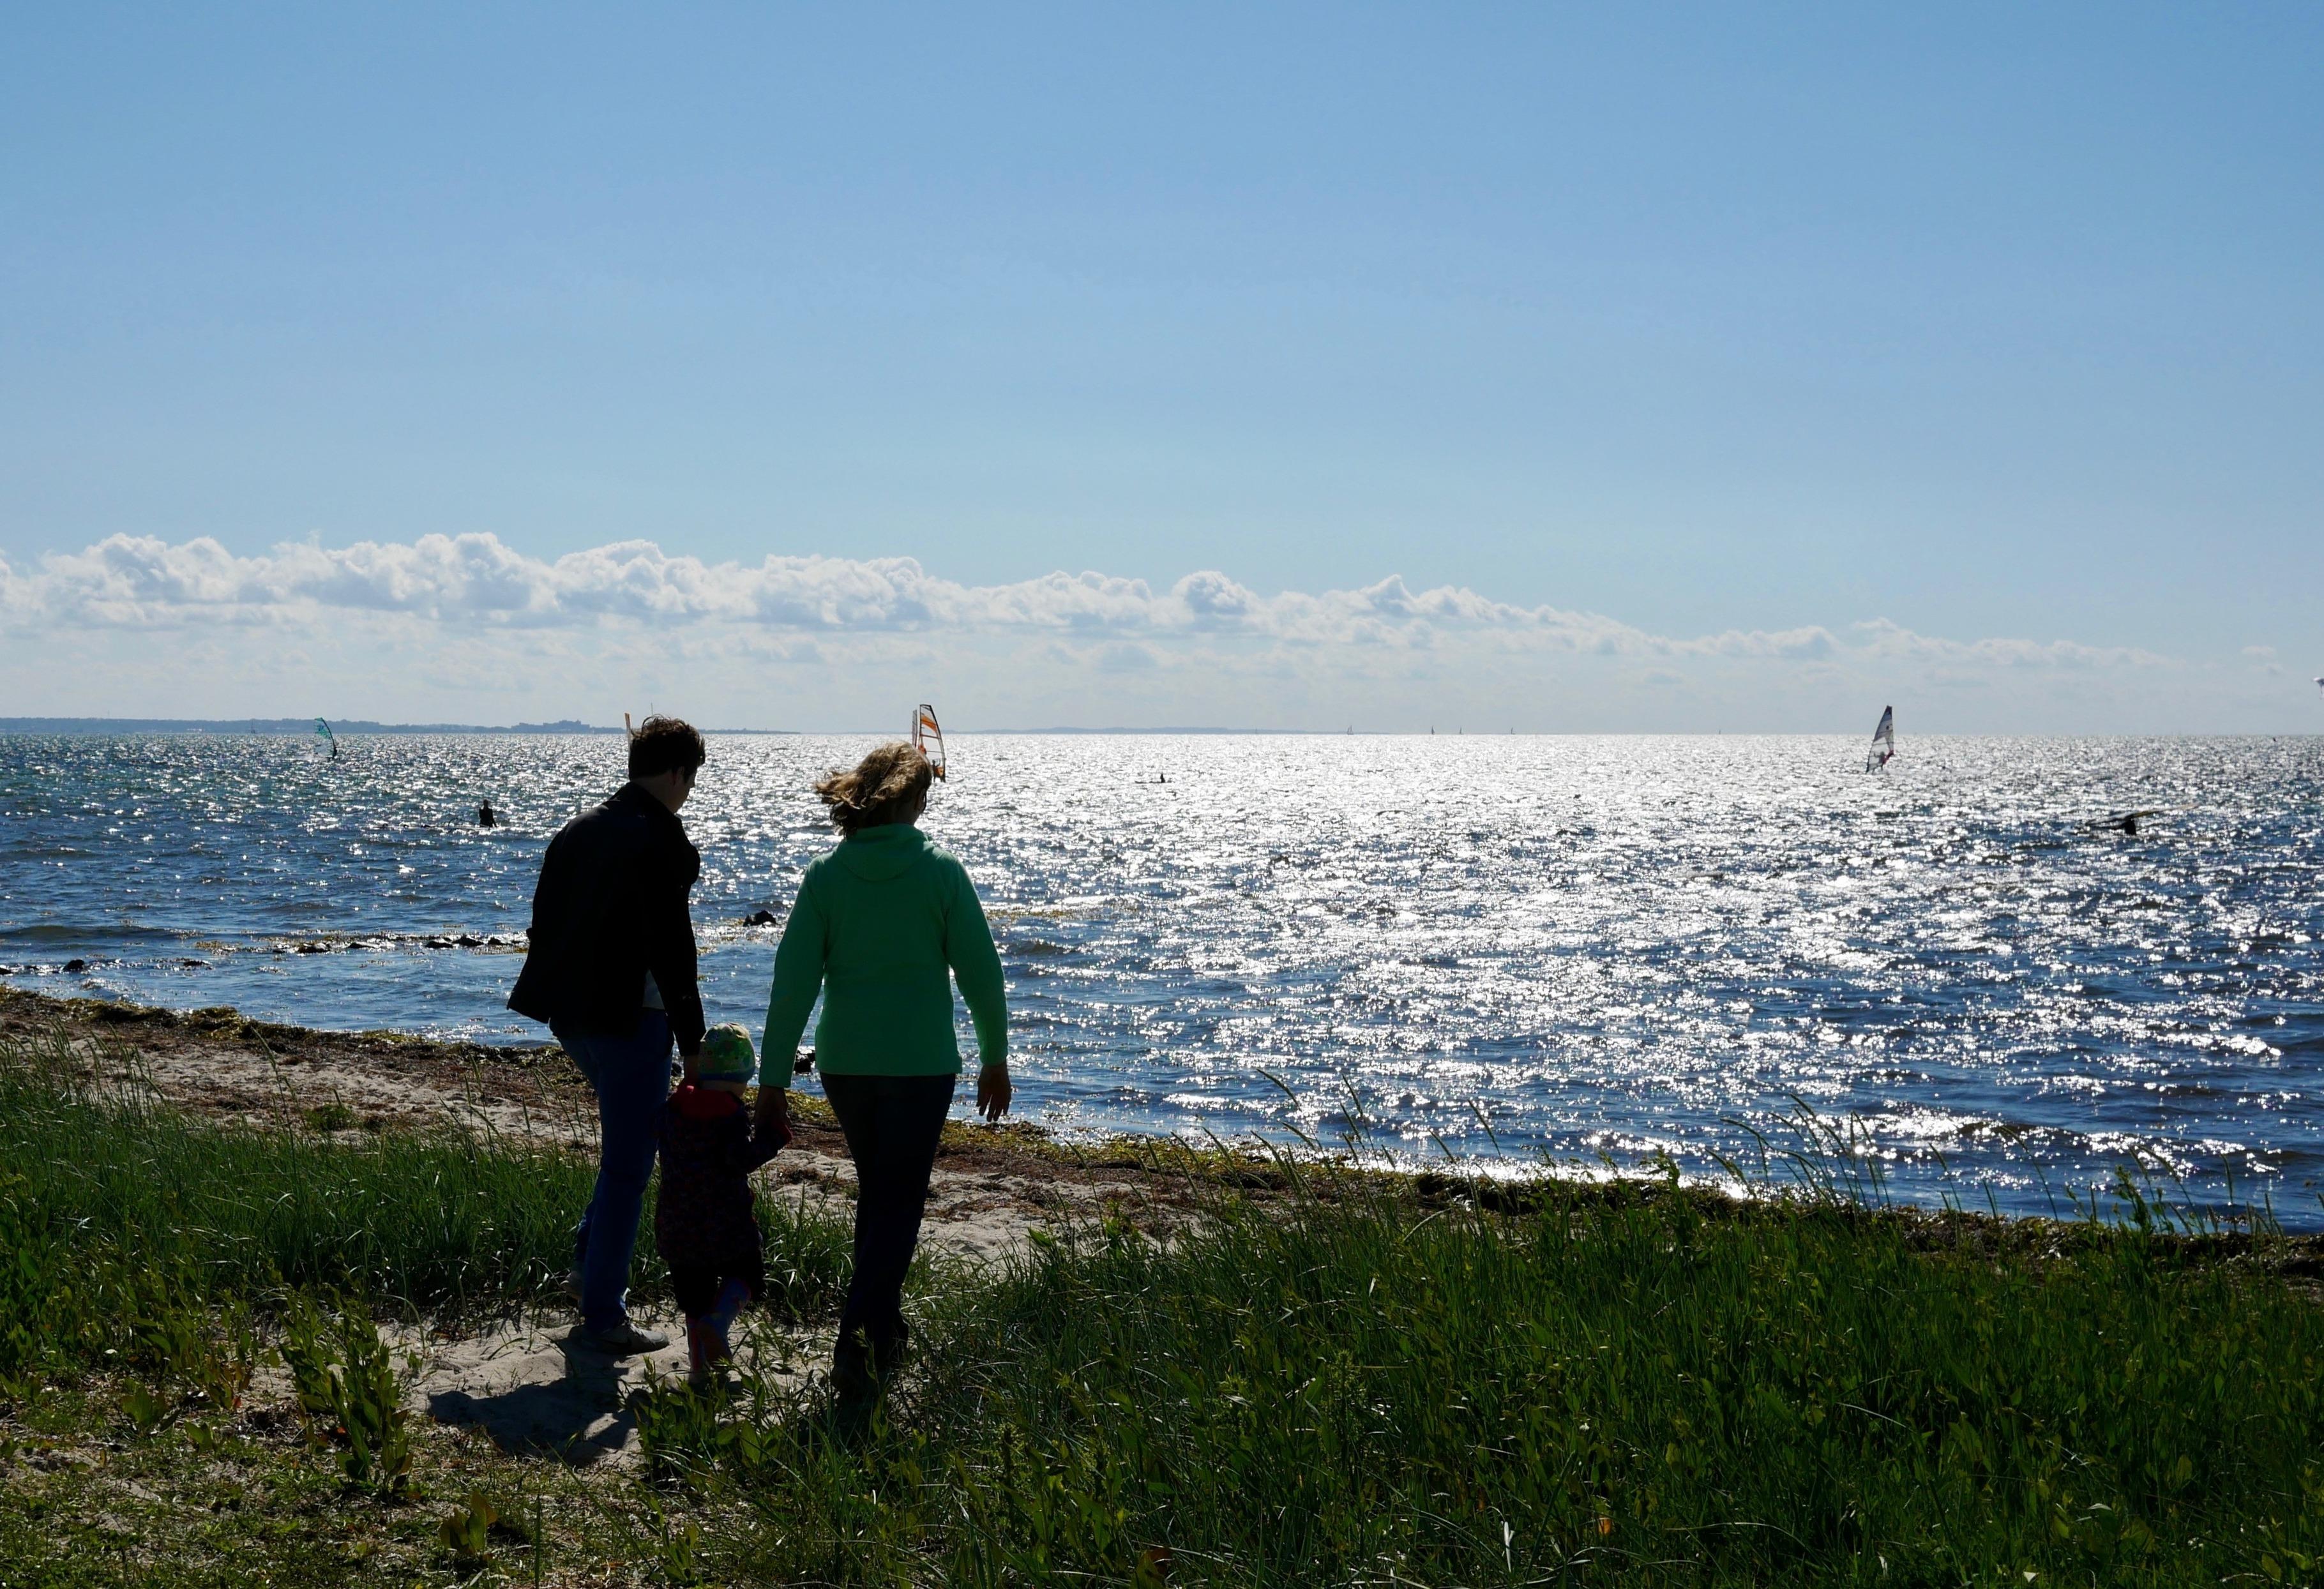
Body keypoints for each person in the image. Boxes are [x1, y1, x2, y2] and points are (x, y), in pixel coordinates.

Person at [758, 741, 1009, 1413]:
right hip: (921, 1063)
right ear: (915, 800)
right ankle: (854, 1341)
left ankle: (884, 1330)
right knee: (898, 1202)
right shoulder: (941, 871)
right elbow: (982, 973)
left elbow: (792, 985)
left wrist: (774, 1078)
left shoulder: (826, 875)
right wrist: (995, 1056)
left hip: (845, 1063)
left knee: (882, 1192)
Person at [508, 715, 709, 1355]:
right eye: (691, 780)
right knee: (629, 1166)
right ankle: (603, 1315)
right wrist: (694, 1041)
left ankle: (584, 1265)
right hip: (633, 1018)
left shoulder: (578, 827)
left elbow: (542, 921)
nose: (688, 792)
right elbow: (675, 950)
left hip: (570, 1015)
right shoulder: (660, 837)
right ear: (675, 773)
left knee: (627, 1148)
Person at [657, 1023, 780, 1382]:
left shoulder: (673, 1108)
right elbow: (739, 1159)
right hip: (725, 1224)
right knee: (748, 1275)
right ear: (743, 1077)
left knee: (694, 1299)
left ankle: (700, 1373)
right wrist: (772, 1139)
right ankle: (720, 1320)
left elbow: (657, 1131)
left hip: (676, 1224)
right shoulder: (729, 1115)